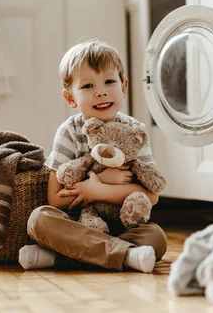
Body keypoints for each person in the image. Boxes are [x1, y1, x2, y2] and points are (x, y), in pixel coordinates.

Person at [18, 39, 167, 273]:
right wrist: (98, 184)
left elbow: (152, 195)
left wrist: (101, 191)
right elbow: (55, 199)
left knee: (155, 237)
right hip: (78, 225)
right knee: (39, 219)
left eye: (109, 81)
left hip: (122, 224)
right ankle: (126, 256)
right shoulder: (69, 132)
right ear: (70, 98)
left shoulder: (135, 131)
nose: (101, 91)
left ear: (124, 87)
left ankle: (60, 258)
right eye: (87, 86)